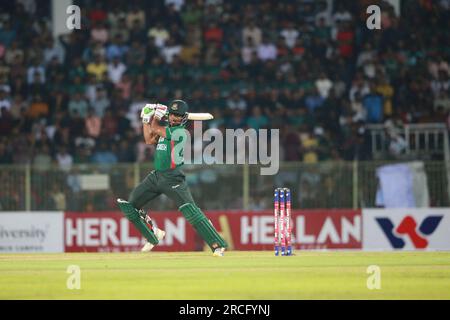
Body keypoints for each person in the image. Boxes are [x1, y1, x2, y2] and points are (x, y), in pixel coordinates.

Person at [117, 100, 228, 256]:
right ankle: (153, 234)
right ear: (169, 116)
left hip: (173, 178)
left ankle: (218, 245)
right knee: (131, 205)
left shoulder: (180, 132)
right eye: (173, 115)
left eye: (179, 116)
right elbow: (149, 139)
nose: (175, 118)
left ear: (183, 118)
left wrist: (154, 116)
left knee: (191, 212)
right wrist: (145, 119)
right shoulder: (166, 130)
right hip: (156, 176)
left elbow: (155, 128)